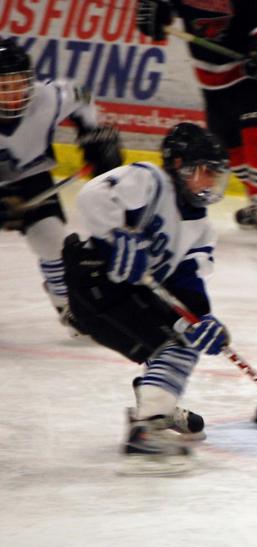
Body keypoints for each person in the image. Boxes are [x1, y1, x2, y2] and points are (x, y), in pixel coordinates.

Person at [63, 122, 231, 462]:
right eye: (206, 172)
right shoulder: (150, 180)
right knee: (175, 345)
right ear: (180, 165)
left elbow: (187, 280)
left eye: (216, 174)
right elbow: (92, 196)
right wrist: (117, 236)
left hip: (125, 293)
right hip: (95, 282)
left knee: (182, 337)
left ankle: (156, 405)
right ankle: (146, 430)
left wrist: (201, 319)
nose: (211, 182)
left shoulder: (202, 228)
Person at [136, 0, 257, 238]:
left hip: (255, 68)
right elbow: (159, 9)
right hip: (212, 77)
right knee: (231, 151)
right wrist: (154, 10)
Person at [0, 37, 122, 334]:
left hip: (30, 176)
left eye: (19, 84)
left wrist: (91, 134)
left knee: (52, 241)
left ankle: (68, 306)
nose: (14, 94)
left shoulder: (49, 98)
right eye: (4, 87)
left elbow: (81, 96)